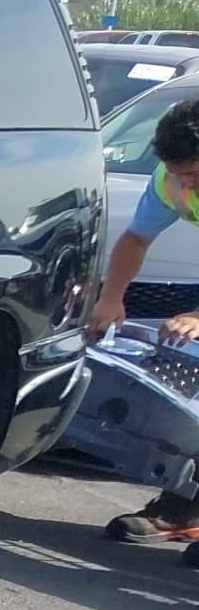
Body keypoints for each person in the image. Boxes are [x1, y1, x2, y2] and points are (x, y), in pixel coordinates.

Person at [87, 96, 199, 543]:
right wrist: (111, 298)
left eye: (192, 173)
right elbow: (135, 240)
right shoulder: (170, 182)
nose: (183, 185)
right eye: (178, 173)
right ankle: (184, 503)